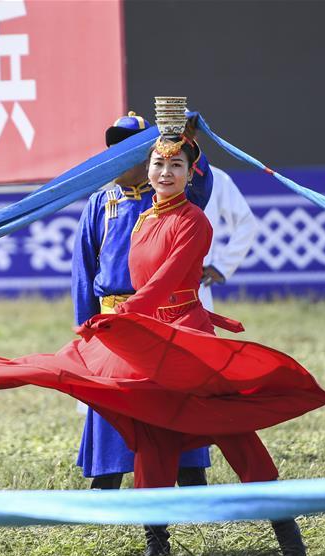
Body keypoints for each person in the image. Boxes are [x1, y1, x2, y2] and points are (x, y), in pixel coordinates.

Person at [0, 116, 325, 556]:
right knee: (152, 436)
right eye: (157, 163)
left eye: (176, 166)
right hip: (146, 335)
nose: (165, 172)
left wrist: (127, 315)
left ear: (193, 174)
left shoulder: (194, 221)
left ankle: (289, 541)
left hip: (185, 337)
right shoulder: (137, 216)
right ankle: (157, 546)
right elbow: (113, 274)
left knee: (235, 434)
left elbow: (166, 280)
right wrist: (106, 322)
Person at [72, 112, 214, 490]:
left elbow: (198, 181)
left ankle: (192, 501)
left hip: (161, 321)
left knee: (172, 413)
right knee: (111, 414)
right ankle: (102, 508)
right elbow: (84, 270)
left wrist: (183, 136)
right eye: (113, 148)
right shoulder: (100, 203)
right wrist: (86, 327)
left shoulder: (169, 199)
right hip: (112, 324)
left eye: (128, 150)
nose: (116, 157)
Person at [198, 166, 257, 311]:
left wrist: (223, 266)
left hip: (195, 288)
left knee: (196, 333)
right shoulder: (148, 175)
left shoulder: (215, 178)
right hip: (150, 287)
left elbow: (246, 223)